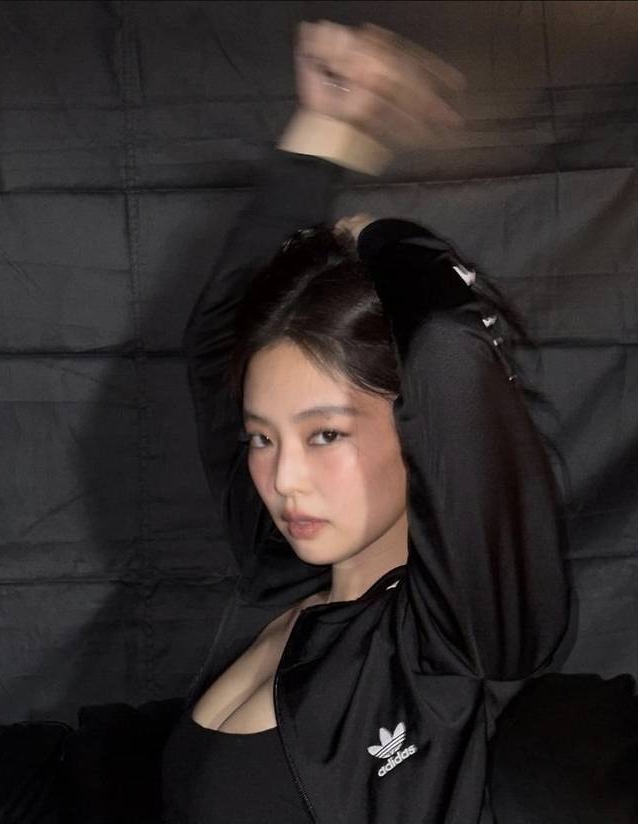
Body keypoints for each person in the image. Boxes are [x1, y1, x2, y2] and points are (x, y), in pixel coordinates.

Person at [160, 20, 570, 824]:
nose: (284, 479)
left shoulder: (455, 639)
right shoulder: (286, 571)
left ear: (420, 425)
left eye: (326, 434)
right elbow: (214, 342)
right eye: (262, 437)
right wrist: (326, 131)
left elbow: (449, 346)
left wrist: (376, 235)